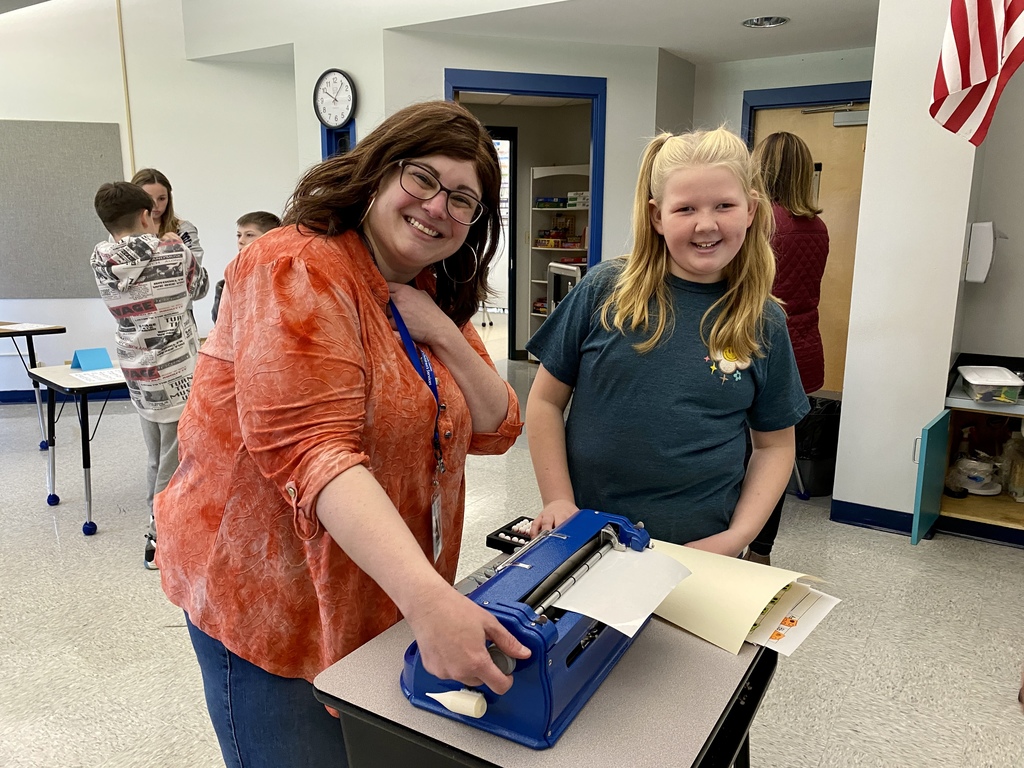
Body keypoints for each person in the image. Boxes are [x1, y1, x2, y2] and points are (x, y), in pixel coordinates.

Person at [154, 101, 527, 768]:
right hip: (270, 597)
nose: (439, 207)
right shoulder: (294, 264)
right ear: (379, 172)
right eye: (423, 178)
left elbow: (500, 427)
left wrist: (440, 328)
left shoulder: (426, 287)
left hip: (377, 585)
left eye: (464, 199)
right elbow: (313, 450)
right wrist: (430, 600)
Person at [526, 128, 809, 556]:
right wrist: (558, 500)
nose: (706, 223)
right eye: (686, 208)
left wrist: (738, 536)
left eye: (725, 206)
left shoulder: (763, 320)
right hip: (586, 536)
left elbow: (775, 445)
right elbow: (545, 402)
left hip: (700, 547)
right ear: (657, 216)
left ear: (751, 210)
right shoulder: (605, 290)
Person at [90, 181, 209, 569]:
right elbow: (201, 287)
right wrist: (178, 245)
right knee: (175, 462)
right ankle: (159, 539)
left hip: (137, 371)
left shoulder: (99, 257)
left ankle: (158, 525)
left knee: (157, 456)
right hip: (176, 371)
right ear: (146, 216)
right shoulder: (174, 249)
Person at [745, 131, 831, 565]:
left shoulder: (762, 223)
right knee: (776, 456)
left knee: (747, 457)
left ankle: (730, 541)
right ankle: (761, 552)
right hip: (806, 349)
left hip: (760, 348)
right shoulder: (818, 227)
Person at [211, 210, 281, 323]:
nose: (241, 241)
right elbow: (219, 320)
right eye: (238, 235)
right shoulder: (232, 273)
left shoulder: (281, 272)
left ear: (271, 237)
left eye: (249, 235)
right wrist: (222, 292)